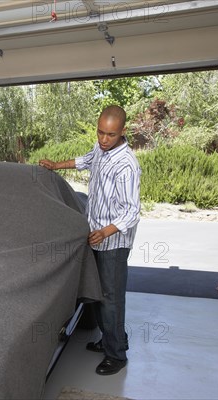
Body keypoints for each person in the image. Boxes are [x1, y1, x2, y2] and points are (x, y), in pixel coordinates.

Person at [39, 105, 141, 376]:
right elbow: (86, 160)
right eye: (100, 132)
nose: (103, 139)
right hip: (94, 235)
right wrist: (56, 165)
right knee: (95, 292)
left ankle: (117, 355)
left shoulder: (127, 165)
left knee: (110, 298)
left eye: (110, 135)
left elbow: (132, 211)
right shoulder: (101, 150)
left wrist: (106, 231)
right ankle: (112, 339)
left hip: (113, 243)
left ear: (122, 132)